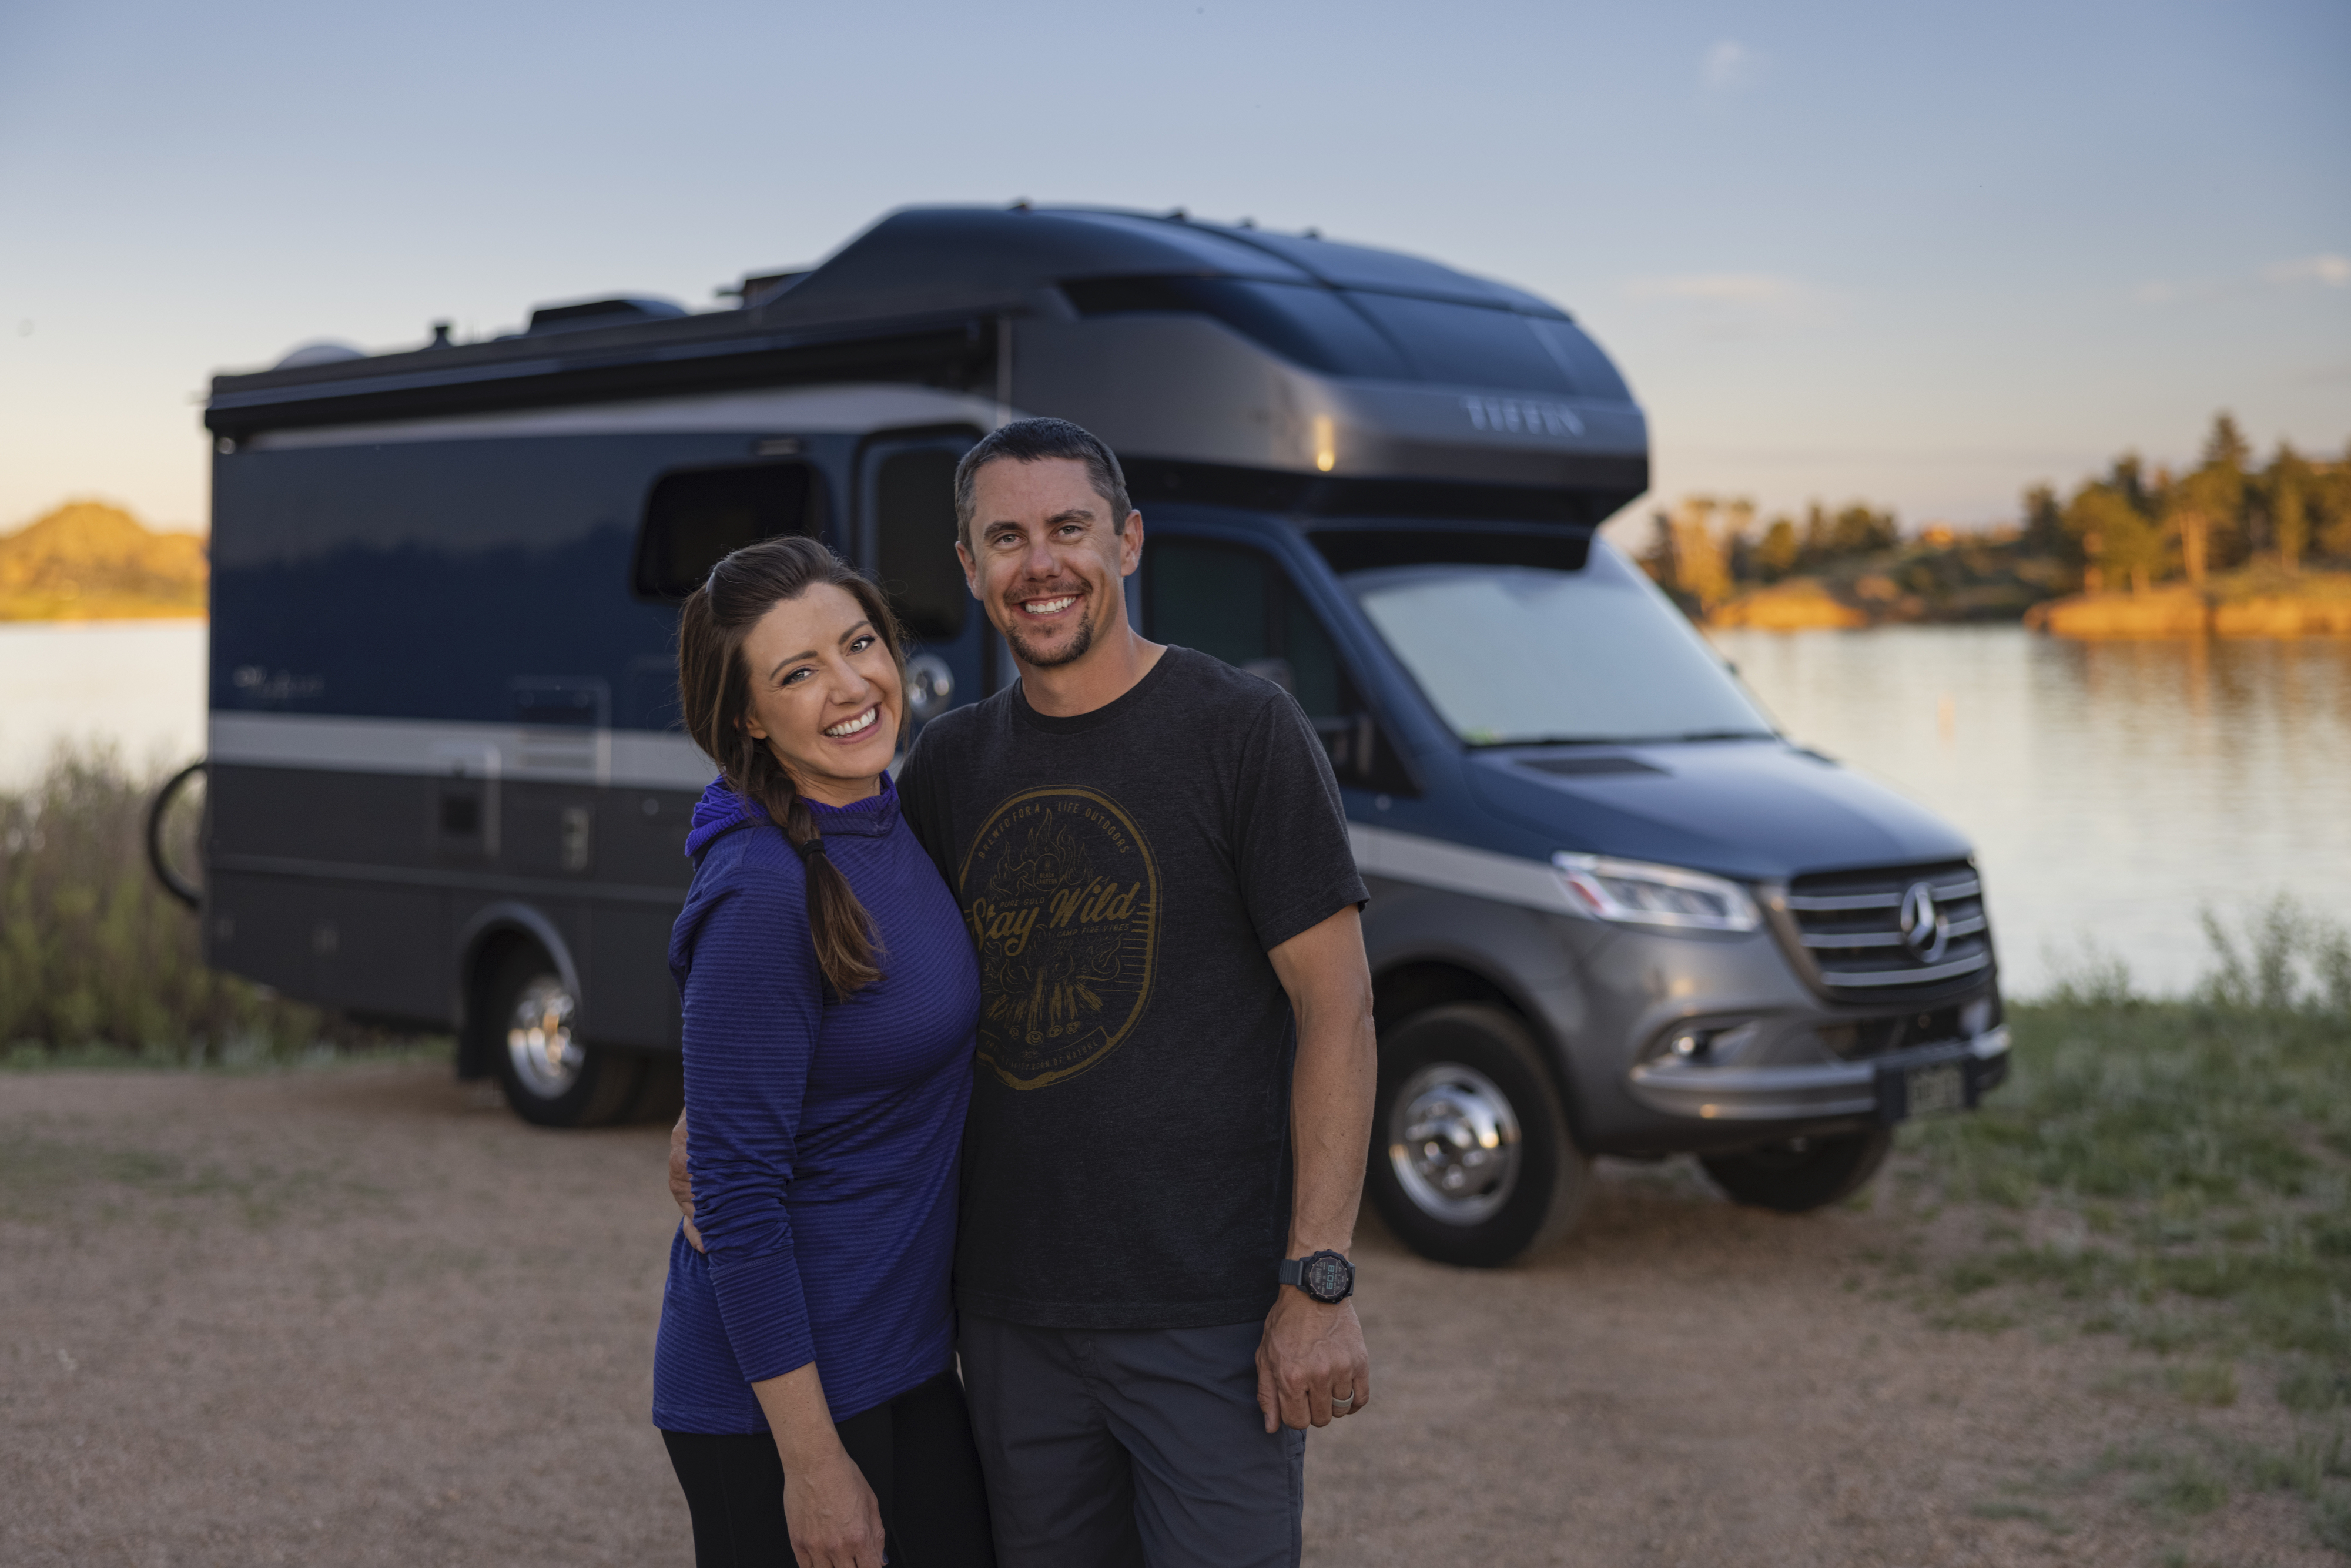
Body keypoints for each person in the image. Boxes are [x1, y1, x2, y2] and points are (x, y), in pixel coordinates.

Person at [677, 417, 1377, 1567]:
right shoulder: (948, 764)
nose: (1038, 562)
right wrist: (711, 1104)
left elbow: (1337, 1008)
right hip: (1001, 1323)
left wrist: (1318, 1274)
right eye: (1005, 536)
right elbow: (820, 919)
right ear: (967, 568)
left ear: (1129, 541)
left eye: (1068, 528)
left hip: (1202, 1309)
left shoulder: (1241, 731)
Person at [652, 535, 995, 1568]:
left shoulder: (888, 817)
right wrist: (812, 1463)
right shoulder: (764, 889)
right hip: (782, 1407)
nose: (851, 686)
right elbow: (739, 1198)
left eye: (859, 644)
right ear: (749, 717)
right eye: (799, 673)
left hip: (902, 1364)